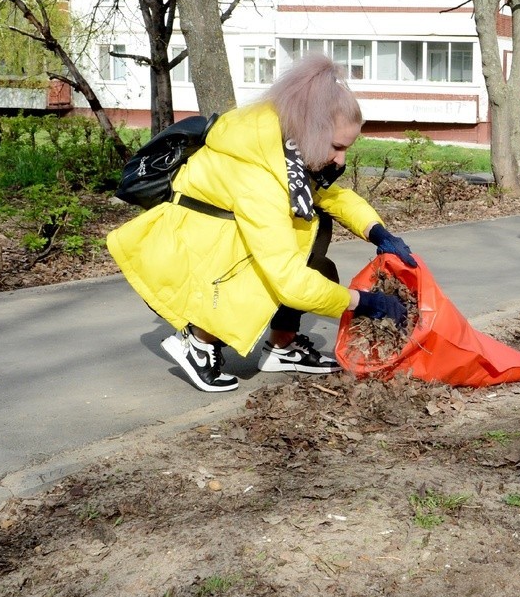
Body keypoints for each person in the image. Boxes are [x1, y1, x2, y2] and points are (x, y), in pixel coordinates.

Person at [107, 55, 415, 393]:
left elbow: (326, 195)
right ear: (313, 130)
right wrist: (364, 302)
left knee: (310, 226)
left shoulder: (285, 143)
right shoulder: (258, 173)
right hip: (188, 253)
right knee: (278, 261)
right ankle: (198, 343)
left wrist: (378, 231)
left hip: (209, 243)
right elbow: (290, 281)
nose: (340, 159)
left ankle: (282, 347)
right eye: (337, 147)